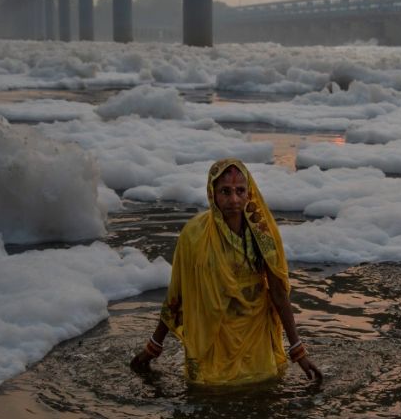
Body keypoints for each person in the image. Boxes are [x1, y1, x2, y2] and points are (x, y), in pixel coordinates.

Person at [131, 158, 322, 385]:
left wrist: (298, 351)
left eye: (240, 191)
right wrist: (154, 346)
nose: (234, 199)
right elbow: (177, 294)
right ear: (212, 194)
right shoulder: (194, 235)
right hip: (213, 342)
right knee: (208, 393)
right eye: (225, 191)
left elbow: (279, 294)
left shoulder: (262, 234)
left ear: (249, 192)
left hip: (255, 340)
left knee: (263, 392)